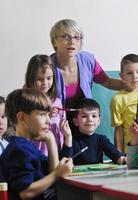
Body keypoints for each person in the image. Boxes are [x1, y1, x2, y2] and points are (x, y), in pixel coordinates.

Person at [0, 88, 73, 200]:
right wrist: (56, 174)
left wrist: (50, 140)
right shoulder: (19, 149)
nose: (48, 120)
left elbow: (53, 173)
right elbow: (25, 192)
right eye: (42, 114)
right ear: (22, 117)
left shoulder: (27, 146)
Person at [50, 18, 124, 109]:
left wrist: (132, 86)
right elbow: (31, 94)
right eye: (66, 37)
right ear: (54, 42)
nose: (72, 42)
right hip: (55, 121)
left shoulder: (87, 60)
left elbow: (108, 82)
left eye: (76, 37)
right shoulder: (46, 66)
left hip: (84, 120)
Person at [60, 98, 126, 165]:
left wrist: (120, 158)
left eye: (94, 116)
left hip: (96, 175)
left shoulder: (101, 139)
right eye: (84, 116)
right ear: (76, 121)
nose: (90, 119)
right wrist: (68, 137)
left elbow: (114, 153)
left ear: (99, 121)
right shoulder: (71, 140)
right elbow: (63, 164)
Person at [25, 54, 65, 155]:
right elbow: (28, 131)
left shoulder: (57, 102)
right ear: (31, 78)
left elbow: (60, 132)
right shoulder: (25, 101)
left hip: (55, 154)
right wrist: (47, 116)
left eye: (49, 78)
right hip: (35, 155)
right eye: (39, 79)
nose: (45, 83)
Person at [110, 54, 138, 154]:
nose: (135, 76)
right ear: (122, 77)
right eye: (129, 73)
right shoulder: (118, 99)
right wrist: (118, 155)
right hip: (131, 151)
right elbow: (119, 130)